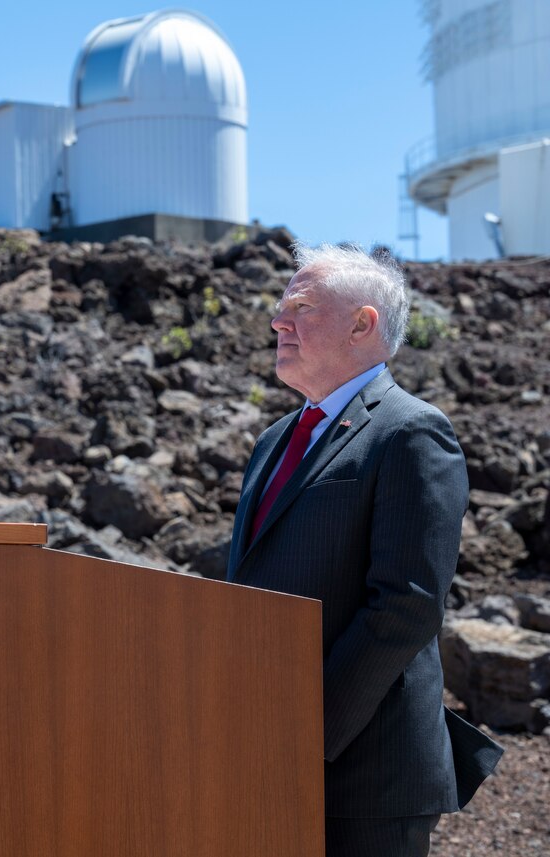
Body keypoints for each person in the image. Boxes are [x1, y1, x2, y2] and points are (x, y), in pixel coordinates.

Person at [226, 243, 503, 857]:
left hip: (364, 772)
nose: (278, 321)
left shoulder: (410, 431)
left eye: (300, 307)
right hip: (263, 757)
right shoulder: (275, 439)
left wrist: (308, 729)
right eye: (280, 309)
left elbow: (406, 603)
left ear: (362, 323)